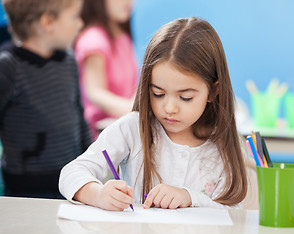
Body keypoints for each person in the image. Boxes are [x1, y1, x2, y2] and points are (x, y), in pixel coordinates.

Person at [59, 17, 257, 210]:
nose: (169, 107)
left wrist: (189, 197)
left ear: (213, 91)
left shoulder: (224, 146)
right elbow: (71, 172)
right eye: (158, 94)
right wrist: (99, 194)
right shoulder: (132, 129)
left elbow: (232, 213)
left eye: (185, 97)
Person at [0, 0, 91, 199]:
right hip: (26, 189)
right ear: (48, 22)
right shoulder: (9, 66)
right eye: (74, 16)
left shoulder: (68, 61)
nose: (81, 24)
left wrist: (89, 160)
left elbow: (78, 114)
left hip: (70, 182)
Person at [75, 0, 138, 139]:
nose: (129, 2)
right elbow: (95, 93)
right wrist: (133, 110)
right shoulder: (93, 39)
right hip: (102, 135)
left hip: (125, 129)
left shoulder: (123, 36)